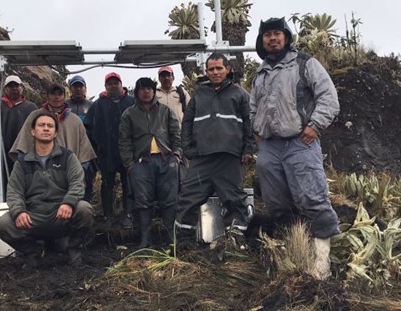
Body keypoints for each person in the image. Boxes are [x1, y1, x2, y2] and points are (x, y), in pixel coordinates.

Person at [250, 17, 340, 280]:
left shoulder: (305, 63)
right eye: (267, 35)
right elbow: (254, 107)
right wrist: (257, 133)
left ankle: (322, 264)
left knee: (312, 198)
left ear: (286, 37)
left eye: (277, 33)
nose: (273, 38)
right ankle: (296, 253)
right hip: (269, 148)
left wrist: (315, 126)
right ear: (262, 40)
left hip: (301, 143)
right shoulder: (260, 73)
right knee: (277, 204)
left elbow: (329, 97)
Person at [0, 113, 94, 267]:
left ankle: (73, 249)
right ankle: (33, 252)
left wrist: (68, 203)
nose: (46, 129)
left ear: (55, 133)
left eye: (50, 126)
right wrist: (19, 211)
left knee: (84, 209)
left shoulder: (68, 157)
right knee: (4, 223)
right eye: (41, 125)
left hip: (60, 214)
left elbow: (78, 183)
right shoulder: (22, 163)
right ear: (33, 132)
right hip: (33, 215)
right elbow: (14, 191)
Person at [175, 53, 254, 243]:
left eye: (219, 68)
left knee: (235, 201)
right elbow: (186, 124)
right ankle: (184, 247)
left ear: (228, 69)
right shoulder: (199, 95)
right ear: (206, 71)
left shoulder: (240, 94)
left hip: (229, 158)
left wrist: (248, 149)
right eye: (211, 69)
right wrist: (187, 149)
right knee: (188, 199)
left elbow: (249, 124)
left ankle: (235, 244)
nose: (215, 72)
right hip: (202, 159)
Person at [119, 77, 181, 247]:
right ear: (136, 92)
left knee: (169, 200)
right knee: (142, 201)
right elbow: (124, 141)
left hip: (166, 161)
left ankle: (170, 239)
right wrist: (130, 164)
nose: (146, 91)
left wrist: (176, 156)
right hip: (141, 163)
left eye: (149, 88)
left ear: (154, 91)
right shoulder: (129, 114)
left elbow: (177, 135)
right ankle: (145, 239)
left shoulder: (165, 111)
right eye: (142, 88)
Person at [10, 83, 97, 202]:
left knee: (80, 208)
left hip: (67, 176)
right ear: (47, 96)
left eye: (60, 94)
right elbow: (23, 147)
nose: (57, 97)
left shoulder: (74, 120)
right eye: (53, 94)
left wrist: (77, 173)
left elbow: (85, 154)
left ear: (64, 96)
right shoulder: (34, 116)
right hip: (38, 178)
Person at [85, 72, 135, 229]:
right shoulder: (98, 104)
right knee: (107, 184)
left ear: (121, 84)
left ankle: (128, 215)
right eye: (110, 83)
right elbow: (88, 129)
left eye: (116, 83)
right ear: (105, 86)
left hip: (128, 152)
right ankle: (107, 216)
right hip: (106, 154)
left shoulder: (132, 102)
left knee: (129, 184)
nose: (113, 85)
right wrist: (97, 150)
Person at [0, 75, 37, 200]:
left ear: (22, 88)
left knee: (25, 192)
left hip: (23, 159)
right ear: (5, 89)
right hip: (0, 161)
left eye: (16, 86)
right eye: (10, 86)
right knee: (2, 193)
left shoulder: (30, 108)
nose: (14, 89)